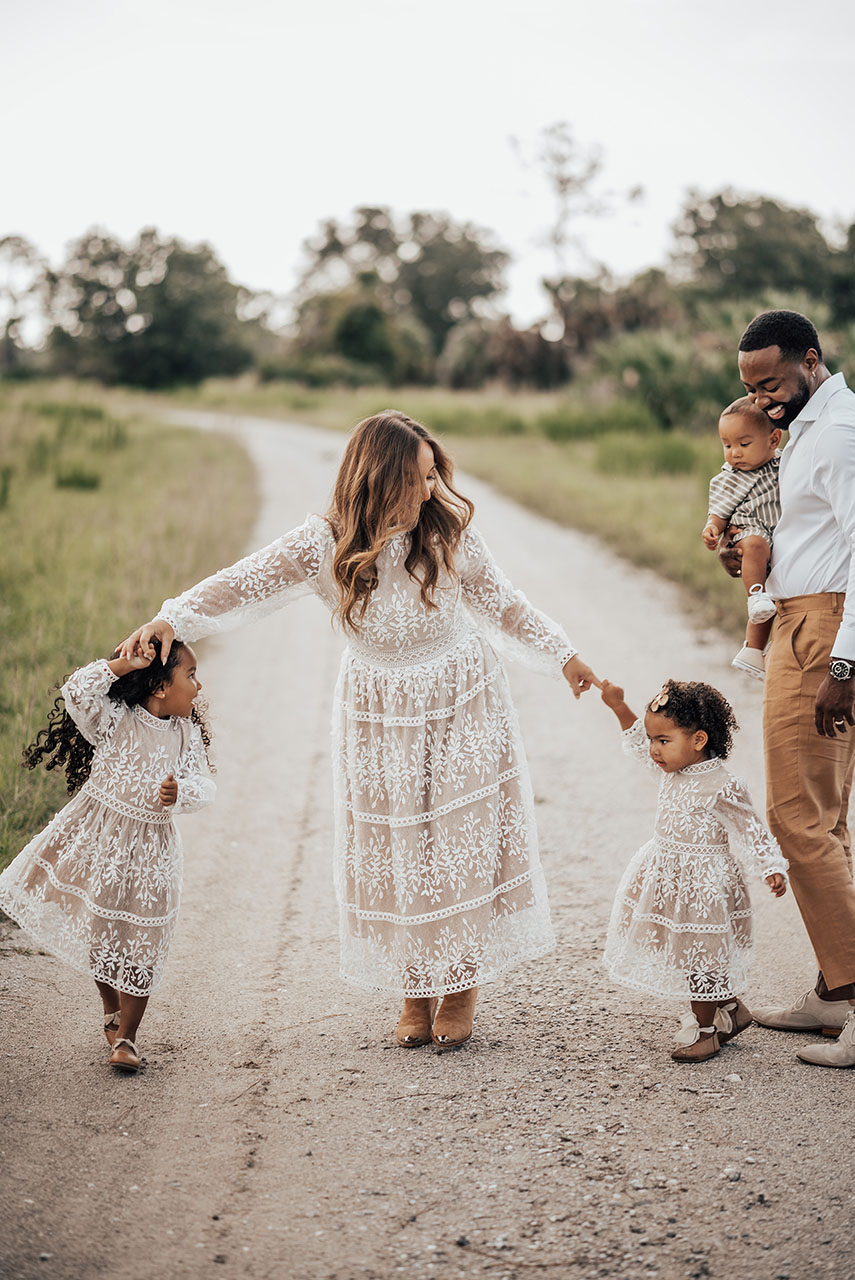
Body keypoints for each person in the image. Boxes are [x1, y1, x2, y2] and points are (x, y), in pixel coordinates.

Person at [118, 410, 598, 1050]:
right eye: (419, 478)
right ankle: (415, 991)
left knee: (459, 835)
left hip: (462, 694)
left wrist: (561, 653)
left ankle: (459, 987)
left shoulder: (447, 532)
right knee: (400, 844)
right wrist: (172, 618)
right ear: (378, 479)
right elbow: (242, 582)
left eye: (435, 475)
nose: (431, 491)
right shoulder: (324, 543)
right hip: (378, 708)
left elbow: (501, 600)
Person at [720, 310, 855, 1068]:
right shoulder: (807, 425)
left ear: (810, 359)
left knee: (794, 819)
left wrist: (842, 665)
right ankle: (833, 994)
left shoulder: (835, 433)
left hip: (821, 637)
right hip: (805, 619)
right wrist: (751, 562)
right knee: (824, 823)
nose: (763, 401)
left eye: (771, 383)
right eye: (750, 389)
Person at [0, 645, 215, 1073]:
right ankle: (110, 1005)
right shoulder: (116, 718)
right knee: (104, 935)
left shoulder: (184, 734)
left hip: (153, 852)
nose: (198, 684)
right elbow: (77, 690)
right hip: (102, 839)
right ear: (158, 684)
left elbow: (206, 785)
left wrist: (182, 793)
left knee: (141, 941)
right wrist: (124, 664)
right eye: (190, 674)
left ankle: (128, 1040)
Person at [599, 677, 788, 1062]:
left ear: (698, 740)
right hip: (669, 876)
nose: (653, 749)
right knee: (695, 954)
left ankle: (705, 1030)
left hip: (703, 885)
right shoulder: (671, 771)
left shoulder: (722, 784)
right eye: (654, 740)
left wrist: (770, 865)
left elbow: (750, 826)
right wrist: (619, 706)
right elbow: (636, 744)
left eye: (663, 740)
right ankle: (732, 1010)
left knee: (700, 955)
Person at [702, 396, 782, 679]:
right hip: (750, 532)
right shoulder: (730, 478)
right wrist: (712, 529)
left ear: (773, 440)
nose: (734, 453)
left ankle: (752, 651)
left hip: (778, 540)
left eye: (743, 444)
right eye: (727, 445)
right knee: (758, 554)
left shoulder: (785, 463)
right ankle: (754, 595)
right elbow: (719, 513)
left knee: (772, 600)